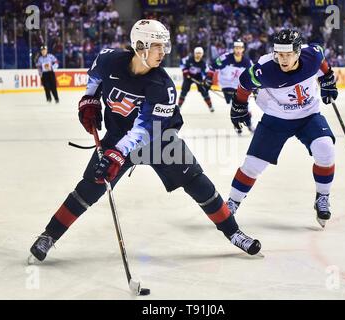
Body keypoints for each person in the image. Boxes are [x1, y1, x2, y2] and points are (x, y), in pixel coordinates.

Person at [29, 20, 261, 262]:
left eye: (165, 46)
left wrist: (118, 153)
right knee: (89, 188)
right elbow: (96, 78)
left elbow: (145, 129)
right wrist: (89, 100)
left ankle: (234, 233)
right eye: (157, 46)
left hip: (160, 141)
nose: (163, 53)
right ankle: (49, 236)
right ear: (139, 46)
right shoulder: (108, 59)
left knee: (198, 182)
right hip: (118, 137)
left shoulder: (162, 86)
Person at [226, 29, 338, 228]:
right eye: (279, 54)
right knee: (252, 165)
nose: (283, 59)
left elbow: (321, 61)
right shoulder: (265, 68)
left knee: (326, 149)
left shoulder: (311, 54)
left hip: (308, 115)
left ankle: (322, 197)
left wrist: (327, 77)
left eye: (288, 55)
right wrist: (239, 106)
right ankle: (231, 204)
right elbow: (244, 84)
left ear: (297, 52)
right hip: (276, 118)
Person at [205, 40, 254, 133]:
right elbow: (212, 67)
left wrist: (255, 89)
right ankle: (238, 124)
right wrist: (208, 78)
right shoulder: (225, 58)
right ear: (234, 49)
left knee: (244, 106)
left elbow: (253, 75)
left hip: (239, 86)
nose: (238, 50)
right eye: (236, 48)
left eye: (240, 48)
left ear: (243, 49)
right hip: (226, 85)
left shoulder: (247, 62)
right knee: (235, 105)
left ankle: (248, 124)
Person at [178, 47, 214, 112]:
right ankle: (179, 106)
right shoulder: (188, 59)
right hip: (188, 77)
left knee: (204, 92)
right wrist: (185, 71)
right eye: (197, 53)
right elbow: (181, 63)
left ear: (202, 54)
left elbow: (205, 73)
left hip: (198, 78)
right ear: (194, 53)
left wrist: (204, 81)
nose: (198, 55)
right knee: (183, 91)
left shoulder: (204, 63)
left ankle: (210, 106)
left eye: (200, 53)